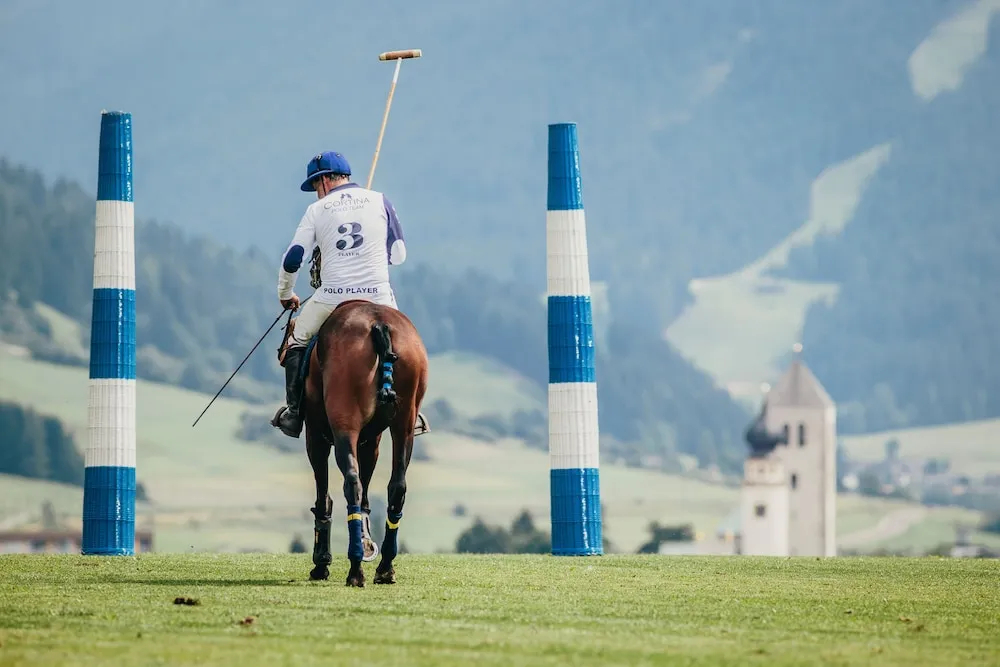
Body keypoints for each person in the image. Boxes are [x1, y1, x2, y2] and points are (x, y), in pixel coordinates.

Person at [271, 150, 424, 438]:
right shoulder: (380, 200)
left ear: (325, 181)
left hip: (333, 296)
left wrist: (286, 292)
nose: (317, 192)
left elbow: (293, 258)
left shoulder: (317, 210)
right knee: (405, 340)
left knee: (296, 341)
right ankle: (412, 411)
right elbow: (399, 254)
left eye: (315, 186)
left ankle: (294, 412)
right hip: (380, 294)